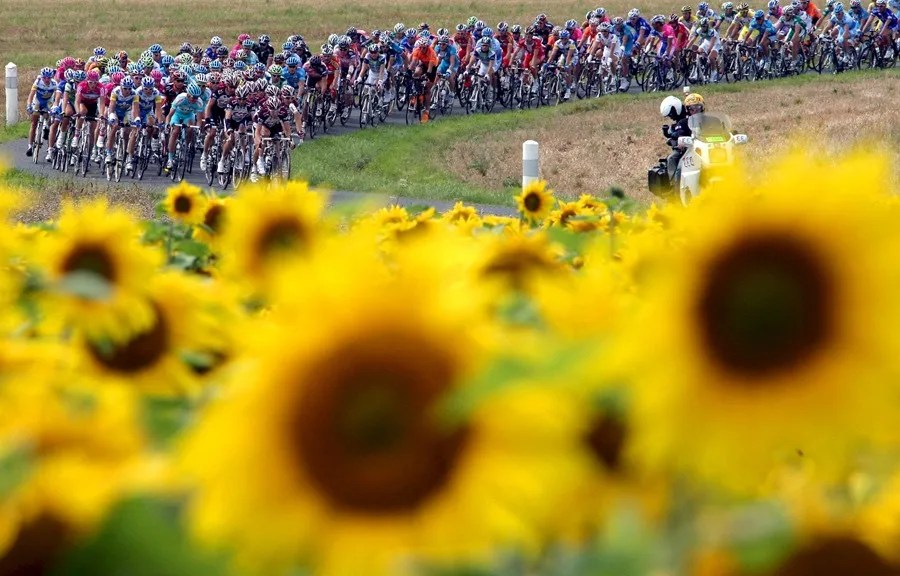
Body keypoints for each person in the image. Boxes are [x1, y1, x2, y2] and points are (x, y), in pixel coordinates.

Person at [661, 92, 704, 185]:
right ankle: (674, 186)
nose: (695, 110)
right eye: (692, 109)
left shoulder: (710, 120)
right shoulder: (683, 122)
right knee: (674, 160)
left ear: (702, 107)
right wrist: (678, 140)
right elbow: (679, 134)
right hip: (689, 151)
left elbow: (722, 130)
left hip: (707, 149)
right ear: (688, 109)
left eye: (698, 107)